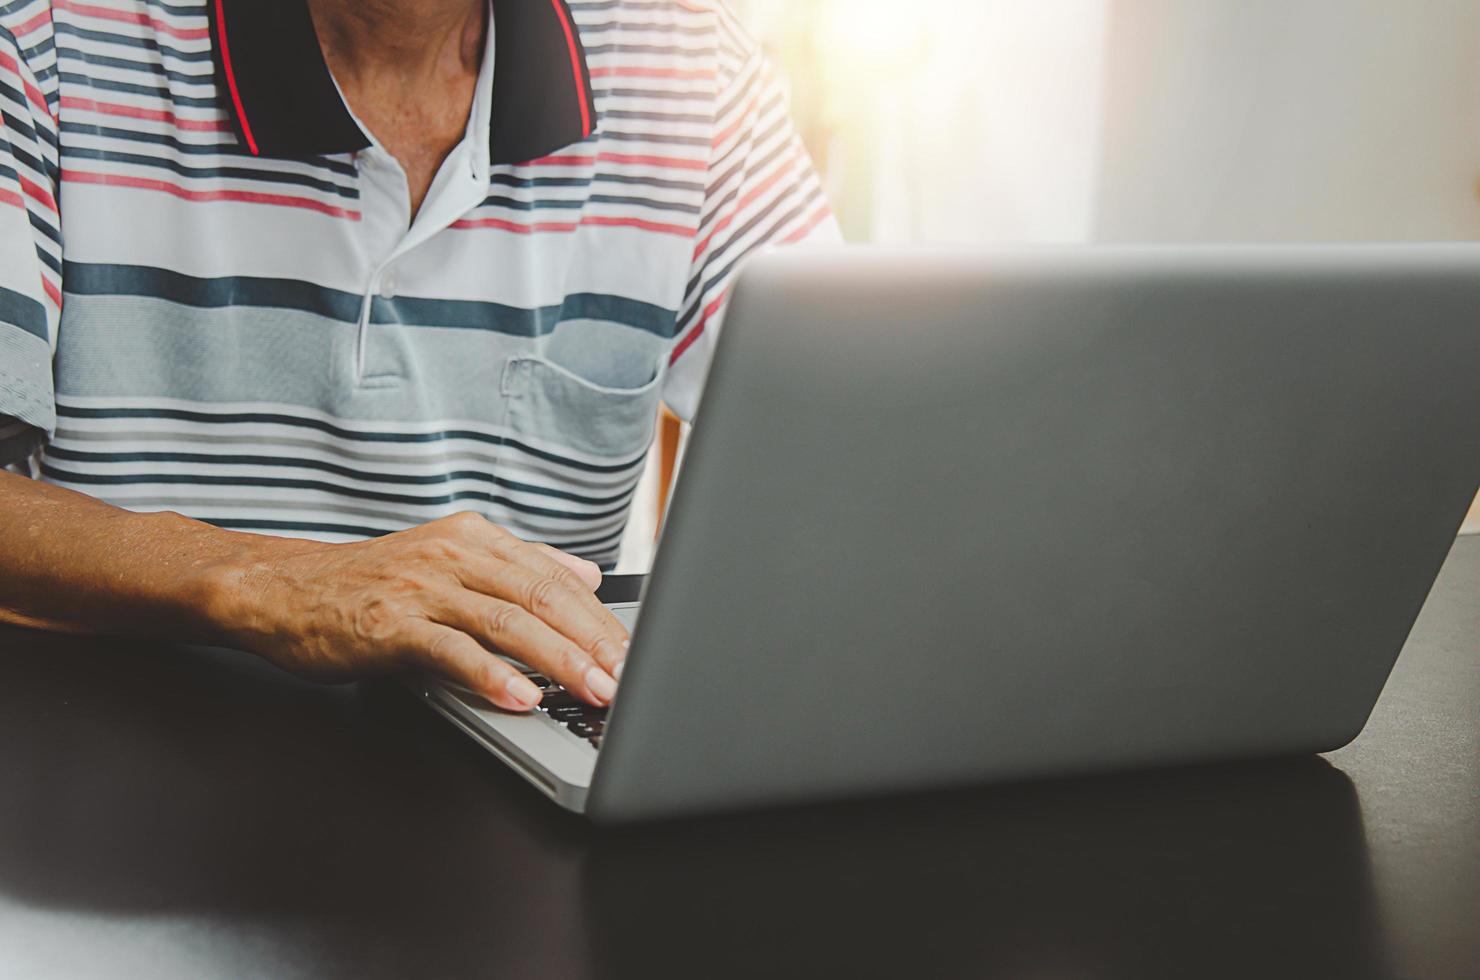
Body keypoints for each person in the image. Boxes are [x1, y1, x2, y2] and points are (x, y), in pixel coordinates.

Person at [0, 0, 835, 709]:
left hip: (516, 802)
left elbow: (857, 450)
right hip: (123, 787)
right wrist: (268, 583)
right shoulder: (43, 36)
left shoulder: (693, 63)